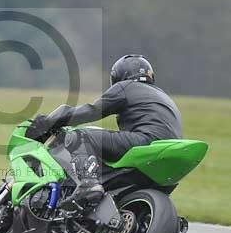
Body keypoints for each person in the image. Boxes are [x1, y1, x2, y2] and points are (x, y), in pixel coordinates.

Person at [26, 54, 182, 204]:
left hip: (145, 141)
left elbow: (91, 111)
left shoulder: (125, 87)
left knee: (80, 136)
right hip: (168, 150)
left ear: (119, 76)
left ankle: (88, 183)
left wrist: (49, 121)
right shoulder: (163, 96)